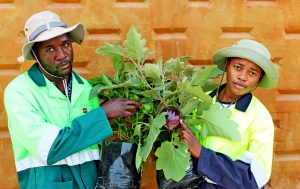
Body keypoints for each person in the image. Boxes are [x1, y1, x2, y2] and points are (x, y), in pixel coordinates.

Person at [4, 11, 141, 189]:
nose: (62, 55)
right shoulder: (20, 91)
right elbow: (51, 149)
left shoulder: (85, 88)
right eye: (50, 49)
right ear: (35, 55)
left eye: (66, 44)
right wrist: (103, 115)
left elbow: (92, 145)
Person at [180, 39, 279, 189]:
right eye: (238, 67)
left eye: (252, 73)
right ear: (227, 65)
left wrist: (203, 154)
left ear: (259, 80)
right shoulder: (199, 101)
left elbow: (253, 178)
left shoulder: (260, 118)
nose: (242, 77)